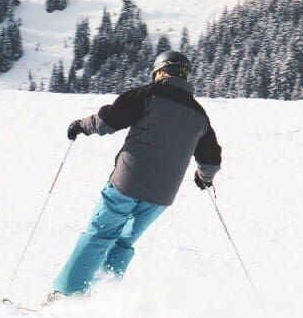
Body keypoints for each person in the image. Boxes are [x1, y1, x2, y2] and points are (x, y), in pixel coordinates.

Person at [48, 50, 223, 302]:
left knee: (100, 234)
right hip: (161, 197)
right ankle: (103, 297)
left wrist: (80, 126)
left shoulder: (148, 95)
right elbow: (211, 158)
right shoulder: (199, 115)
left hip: (126, 184)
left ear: (160, 72)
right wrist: (204, 177)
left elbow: (108, 119)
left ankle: (67, 295)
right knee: (124, 242)